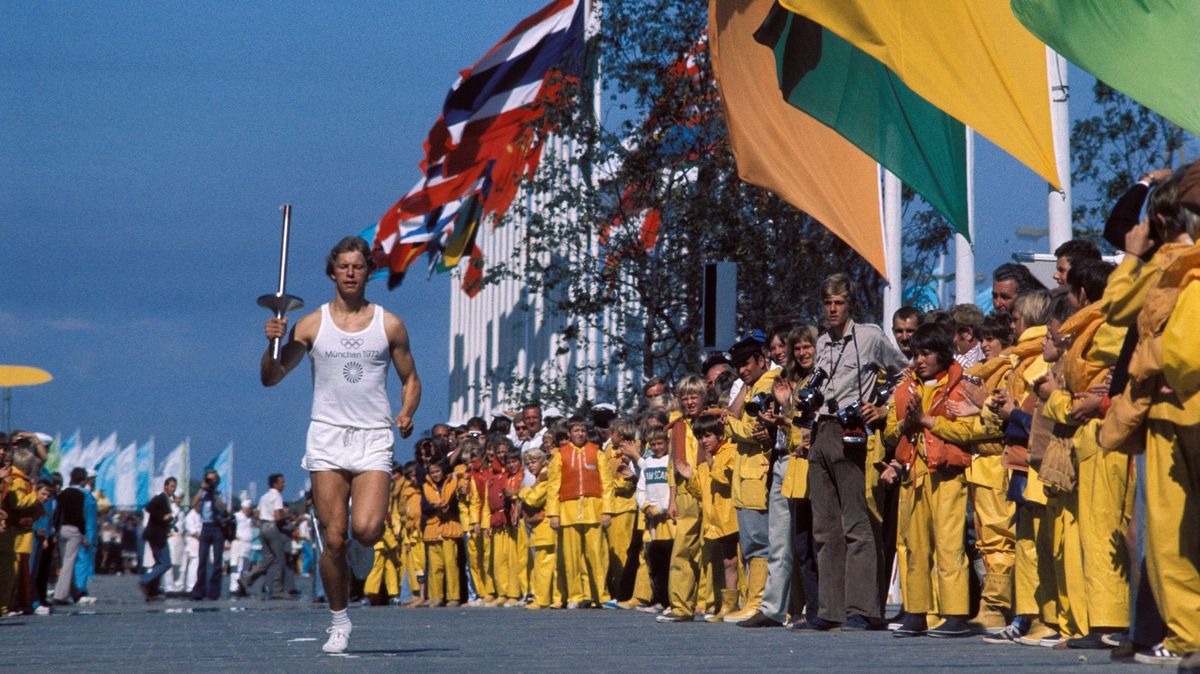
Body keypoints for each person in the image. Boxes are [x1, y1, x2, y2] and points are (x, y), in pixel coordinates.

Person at [261, 235, 421, 653]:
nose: (351, 273)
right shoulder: (312, 324)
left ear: (369, 272)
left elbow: (411, 379)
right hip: (328, 435)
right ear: (332, 272)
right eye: (344, 266)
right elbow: (272, 376)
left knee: (366, 530)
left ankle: (361, 550)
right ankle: (339, 620)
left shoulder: (389, 324)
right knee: (333, 537)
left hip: (372, 436)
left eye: (358, 266)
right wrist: (272, 341)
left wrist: (406, 413)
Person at [806, 274, 908, 630]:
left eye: (839, 303)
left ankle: (863, 608)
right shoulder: (821, 343)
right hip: (821, 431)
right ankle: (829, 609)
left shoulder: (869, 337)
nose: (832, 310)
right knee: (824, 526)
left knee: (856, 523)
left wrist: (881, 406)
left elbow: (904, 373)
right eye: (828, 304)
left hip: (851, 433)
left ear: (849, 305)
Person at [721, 335, 779, 624]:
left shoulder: (767, 385)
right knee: (750, 542)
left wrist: (729, 423)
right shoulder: (752, 386)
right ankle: (751, 599)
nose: (742, 370)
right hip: (745, 475)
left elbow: (751, 429)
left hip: (757, 472)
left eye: (747, 363)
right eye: (739, 366)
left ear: (761, 359)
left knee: (758, 541)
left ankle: (757, 602)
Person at [547, 415, 614, 609]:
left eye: (583, 430)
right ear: (569, 433)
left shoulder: (597, 453)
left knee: (597, 556)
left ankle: (601, 595)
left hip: (594, 509)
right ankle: (575, 595)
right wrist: (554, 514)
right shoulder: (561, 454)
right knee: (571, 557)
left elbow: (607, 484)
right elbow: (553, 486)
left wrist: (607, 510)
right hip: (568, 511)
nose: (580, 434)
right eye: (576, 430)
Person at [238, 474, 291, 599]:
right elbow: (278, 515)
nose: (284, 484)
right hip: (273, 527)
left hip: (263, 527)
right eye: (282, 482)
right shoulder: (277, 496)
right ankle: (277, 589)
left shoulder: (264, 496)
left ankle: (246, 579)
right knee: (279, 559)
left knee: (267, 559)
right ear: (275, 484)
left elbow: (256, 513)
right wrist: (288, 516)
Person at [51, 467, 89, 606]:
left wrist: (55, 528)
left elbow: (57, 513)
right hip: (74, 530)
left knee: (64, 561)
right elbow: (80, 516)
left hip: (61, 529)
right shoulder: (80, 495)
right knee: (69, 562)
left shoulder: (63, 493)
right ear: (83, 480)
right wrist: (83, 533)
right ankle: (60, 595)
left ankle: (72, 593)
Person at [190, 469, 228, 600]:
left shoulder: (220, 492)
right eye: (209, 479)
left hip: (217, 527)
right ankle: (199, 590)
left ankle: (214, 591)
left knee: (217, 562)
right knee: (202, 561)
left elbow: (224, 508)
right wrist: (202, 490)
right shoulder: (203, 494)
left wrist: (214, 494)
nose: (211, 482)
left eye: (213, 479)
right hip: (205, 527)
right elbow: (192, 504)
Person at [138, 477, 177, 601]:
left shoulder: (167, 500)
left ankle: (152, 591)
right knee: (165, 563)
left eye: (174, 486)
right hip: (156, 536)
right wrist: (163, 517)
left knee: (159, 563)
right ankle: (145, 580)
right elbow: (149, 508)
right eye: (171, 486)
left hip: (158, 534)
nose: (173, 489)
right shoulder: (160, 498)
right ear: (165, 486)